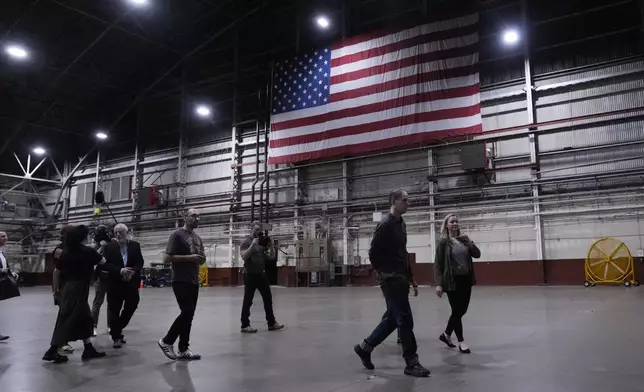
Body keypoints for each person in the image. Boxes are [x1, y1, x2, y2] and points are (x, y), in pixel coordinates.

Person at [353, 190, 430, 378]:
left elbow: (403, 252)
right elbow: (373, 253)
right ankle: (411, 362)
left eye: (408, 200)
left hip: (401, 278)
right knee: (405, 319)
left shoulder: (401, 224)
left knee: (392, 319)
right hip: (391, 280)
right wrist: (383, 273)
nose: (408, 203)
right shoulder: (385, 225)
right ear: (393, 201)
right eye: (404, 200)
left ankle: (365, 347)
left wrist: (411, 276)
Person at [43, 225, 115, 363]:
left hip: (69, 288)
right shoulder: (87, 251)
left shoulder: (67, 252)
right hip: (78, 289)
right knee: (67, 320)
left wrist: (56, 290)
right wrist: (101, 248)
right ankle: (52, 350)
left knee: (84, 318)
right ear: (84, 237)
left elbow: (58, 271)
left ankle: (88, 348)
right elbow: (102, 261)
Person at [158, 208, 206, 361]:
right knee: (186, 312)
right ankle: (166, 341)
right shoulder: (177, 235)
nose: (197, 218)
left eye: (198, 216)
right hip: (180, 280)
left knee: (189, 315)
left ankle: (183, 348)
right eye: (193, 215)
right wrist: (190, 257)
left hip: (193, 280)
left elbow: (201, 258)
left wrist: (200, 259)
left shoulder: (198, 238)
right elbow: (166, 258)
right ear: (185, 217)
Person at [434, 214, 481, 354]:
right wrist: (439, 284)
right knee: (456, 311)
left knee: (462, 311)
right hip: (451, 281)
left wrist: (470, 242)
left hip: (466, 280)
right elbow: (438, 264)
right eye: (452, 221)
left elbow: (477, 254)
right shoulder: (443, 242)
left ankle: (446, 334)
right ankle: (461, 341)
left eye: (456, 221)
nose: (455, 223)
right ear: (446, 225)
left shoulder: (464, 241)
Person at [100, 223, 144, 349]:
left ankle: (117, 327)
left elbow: (139, 261)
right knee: (114, 309)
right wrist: (120, 271)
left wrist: (132, 271)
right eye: (116, 232)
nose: (118, 234)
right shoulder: (108, 247)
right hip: (115, 283)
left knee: (133, 304)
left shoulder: (135, 245)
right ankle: (116, 337)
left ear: (127, 232)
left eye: (121, 232)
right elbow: (105, 265)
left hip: (131, 282)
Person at [239, 221, 284, 333]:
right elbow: (244, 256)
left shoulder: (260, 244)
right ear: (252, 229)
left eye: (260, 230)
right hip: (250, 275)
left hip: (261, 274)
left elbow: (271, 257)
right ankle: (245, 325)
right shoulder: (246, 242)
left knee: (268, 299)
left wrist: (272, 245)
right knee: (248, 301)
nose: (259, 232)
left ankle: (271, 323)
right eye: (257, 229)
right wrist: (252, 245)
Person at [52, 226, 75, 354]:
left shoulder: (73, 248)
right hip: (63, 286)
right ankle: (61, 343)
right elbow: (57, 271)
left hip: (73, 286)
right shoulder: (59, 250)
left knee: (69, 314)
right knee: (63, 314)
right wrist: (56, 289)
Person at [91, 225, 112, 337]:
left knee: (111, 303)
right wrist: (101, 249)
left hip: (111, 276)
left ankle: (110, 325)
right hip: (100, 276)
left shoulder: (111, 243)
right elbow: (92, 260)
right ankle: (93, 326)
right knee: (98, 302)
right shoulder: (95, 246)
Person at [0, 231, 18, 342]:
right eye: (2, 236)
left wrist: (11, 273)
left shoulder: (1, 252)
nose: (5, 238)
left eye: (6, 236)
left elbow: (4, 266)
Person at [397, 256, 419, 344]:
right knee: (399, 312)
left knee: (398, 312)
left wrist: (414, 285)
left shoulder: (404, 253)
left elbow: (409, 270)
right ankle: (402, 335)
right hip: (393, 287)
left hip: (403, 286)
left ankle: (401, 335)